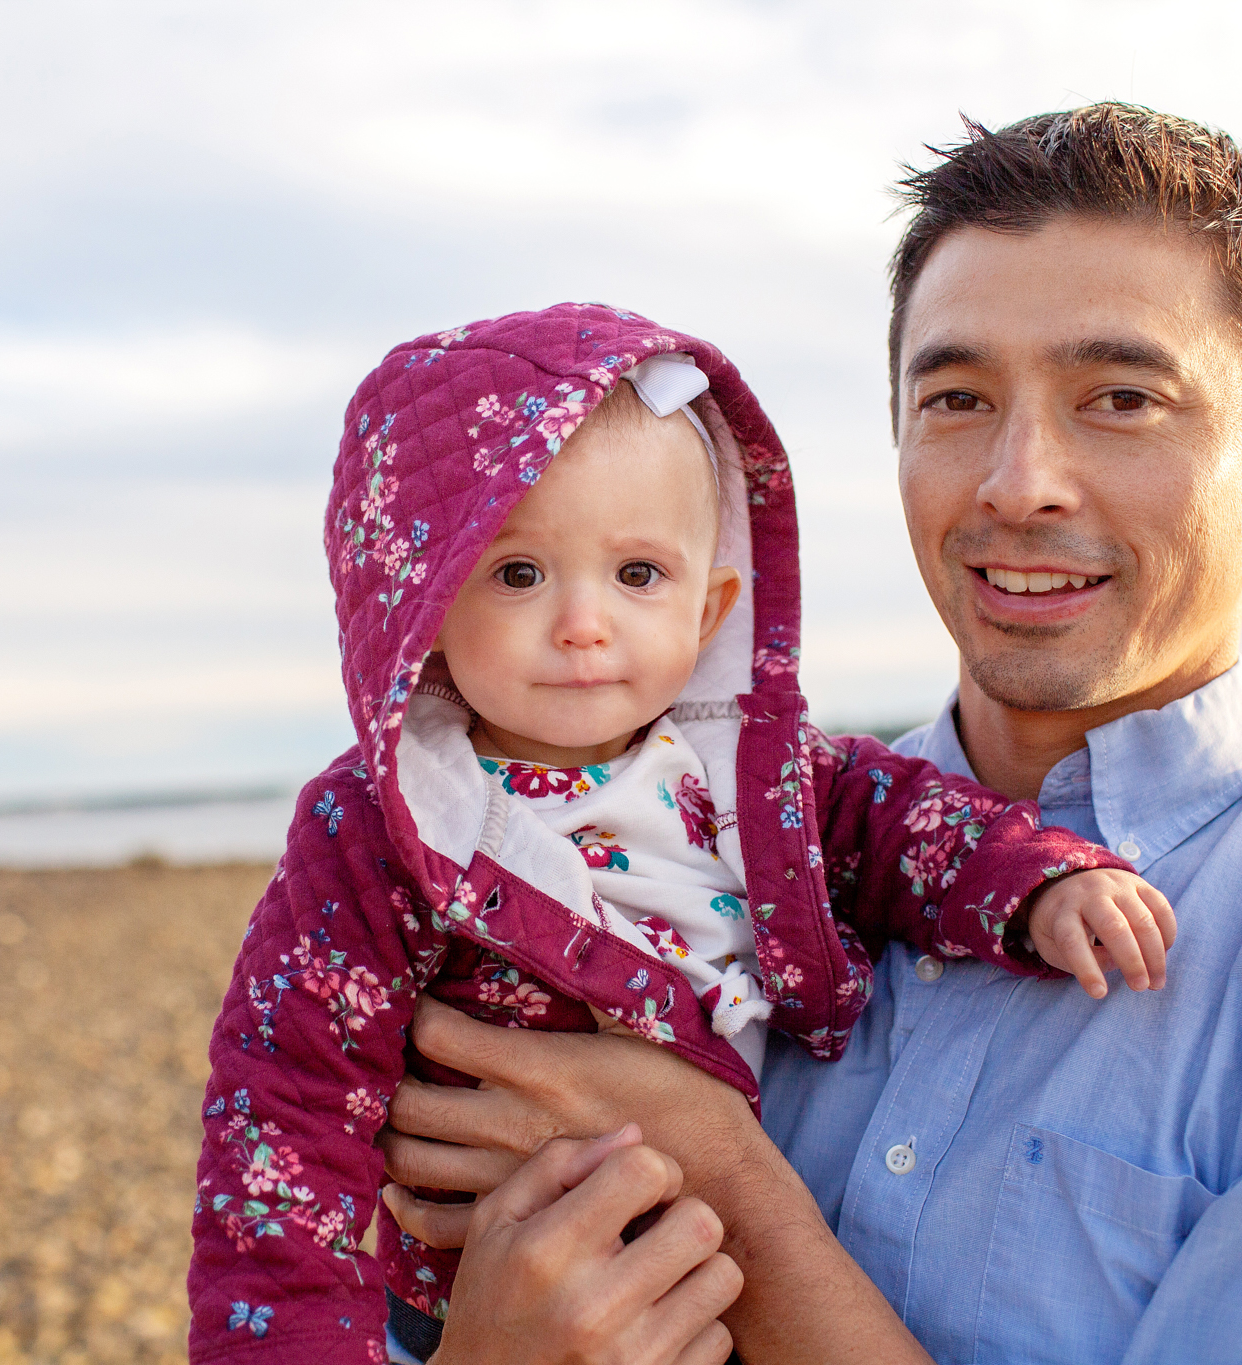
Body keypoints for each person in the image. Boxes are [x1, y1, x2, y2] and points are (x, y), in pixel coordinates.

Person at [375, 105, 1242, 1363]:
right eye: (957, 398)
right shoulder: (640, 842)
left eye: (1119, 397)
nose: (1016, 481)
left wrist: (716, 1178)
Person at [184, 302, 1180, 1364]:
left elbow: (911, 826)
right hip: (482, 1307)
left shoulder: (757, 776)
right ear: (418, 606)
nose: (582, 621)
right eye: (517, 574)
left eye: (637, 575)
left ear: (707, 614)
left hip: (727, 1292)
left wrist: (1039, 883)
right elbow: (285, 1117)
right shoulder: (388, 824)